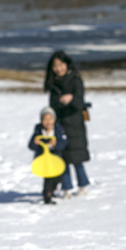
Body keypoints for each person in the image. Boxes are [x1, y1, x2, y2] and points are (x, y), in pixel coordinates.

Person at [45, 51, 91, 197]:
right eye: (55, 66)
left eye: (61, 65)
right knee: (62, 158)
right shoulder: (53, 84)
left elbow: (79, 103)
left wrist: (71, 98)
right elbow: (52, 105)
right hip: (59, 126)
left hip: (75, 124)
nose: (58, 69)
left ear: (66, 64)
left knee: (76, 158)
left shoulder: (76, 80)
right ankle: (66, 189)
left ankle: (83, 185)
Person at [27, 107, 68, 205]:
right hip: (44, 159)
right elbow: (30, 146)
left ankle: (51, 190)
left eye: (50, 119)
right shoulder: (38, 131)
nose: (48, 122)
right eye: (45, 119)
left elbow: (64, 143)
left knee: (58, 177)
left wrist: (56, 144)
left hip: (55, 158)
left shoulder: (58, 129)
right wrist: (35, 142)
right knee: (48, 178)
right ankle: (47, 196)